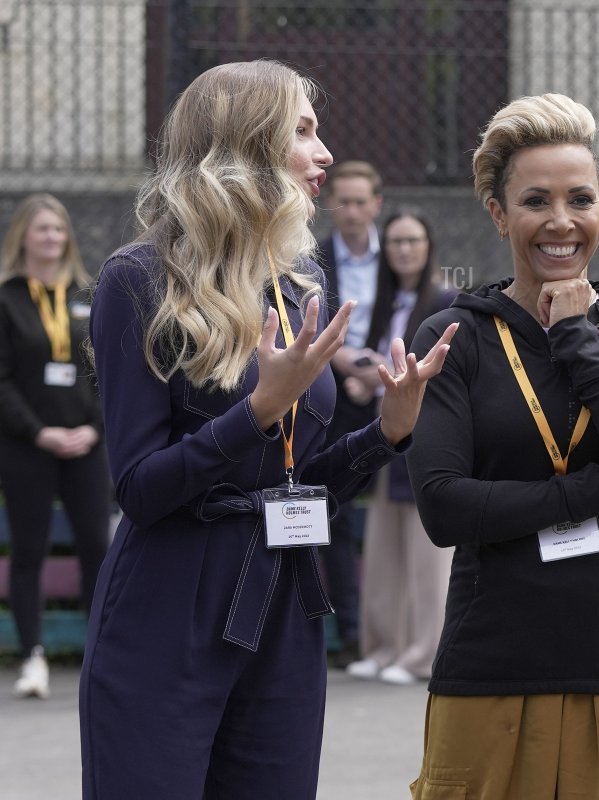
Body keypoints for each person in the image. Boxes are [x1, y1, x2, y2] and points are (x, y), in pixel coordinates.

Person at [79, 60, 456, 799]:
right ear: (247, 144)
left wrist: (387, 431)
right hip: (168, 606)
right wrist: (255, 414)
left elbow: (300, 483)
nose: (325, 154)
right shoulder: (138, 279)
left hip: (283, 606)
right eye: (304, 132)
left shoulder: (293, 284)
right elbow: (140, 489)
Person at [405, 93, 599, 799]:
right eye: (536, 201)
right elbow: (444, 507)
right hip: (488, 665)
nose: (561, 221)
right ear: (499, 213)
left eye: (581, 199)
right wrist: (598, 484)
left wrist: (578, 341)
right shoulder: (454, 336)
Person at [0, 193, 111, 700]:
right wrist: (37, 432)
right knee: (30, 549)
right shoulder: (8, 299)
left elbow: (109, 371)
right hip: (28, 445)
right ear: (22, 236)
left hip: (86, 443)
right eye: (42, 229)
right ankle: (33, 657)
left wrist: (95, 428)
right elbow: (2, 380)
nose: (51, 237)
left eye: (58, 229)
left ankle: (101, 656)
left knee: (96, 546)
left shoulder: (86, 296)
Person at [345, 207, 459, 685]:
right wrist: (363, 382)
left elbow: (448, 370)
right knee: (383, 544)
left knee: (426, 550)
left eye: (413, 240)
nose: (404, 250)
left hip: (426, 430)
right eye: (395, 241)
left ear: (428, 246)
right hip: (385, 430)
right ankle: (382, 647)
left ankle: (421, 655)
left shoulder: (447, 300)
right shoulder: (385, 302)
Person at [315, 159, 386, 667]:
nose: (352, 212)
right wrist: (344, 365)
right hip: (332, 394)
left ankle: (393, 631)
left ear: (376, 204)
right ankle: (351, 633)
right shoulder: (313, 259)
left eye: (361, 202)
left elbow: (418, 315)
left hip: (387, 390)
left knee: (393, 513)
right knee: (333, 511)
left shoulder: (399, 256)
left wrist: (376, 374)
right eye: (343, 202)